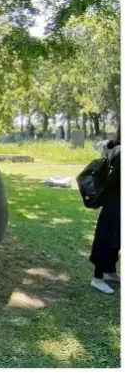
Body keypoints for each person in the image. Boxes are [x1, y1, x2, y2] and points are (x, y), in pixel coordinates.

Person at [89, 125, 120, 295]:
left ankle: (110, 272)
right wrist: (98, 200)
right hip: (114, 204)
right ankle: (98, 278)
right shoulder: (120, 152)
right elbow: (111, 183)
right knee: (106, 239)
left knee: (117, 239)